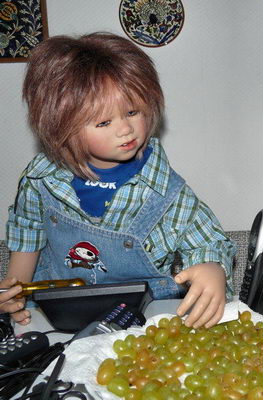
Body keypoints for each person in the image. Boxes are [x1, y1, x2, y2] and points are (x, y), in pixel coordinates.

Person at [0, 32, 236, 329]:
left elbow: (208, 241)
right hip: (58, 319)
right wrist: (15, 294)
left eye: (132, 112)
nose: (125, 129)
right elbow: (27, 235)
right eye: (104, 122)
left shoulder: (166, 192)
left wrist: (212, 267)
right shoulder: (41, 180)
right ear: (60, 126)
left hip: (145, 325)